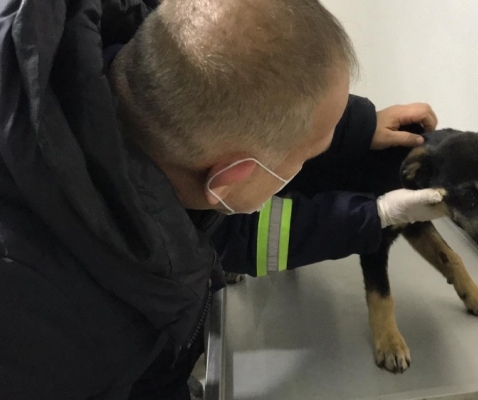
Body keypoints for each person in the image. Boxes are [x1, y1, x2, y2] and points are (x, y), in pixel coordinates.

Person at [0, 0, 443, 399]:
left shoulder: (144, 53)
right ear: (227, 179)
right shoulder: (51, 335)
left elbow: (231, 222)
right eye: (309, 155)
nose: (311, 164)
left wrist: (362, 131)